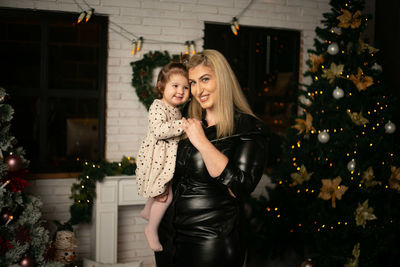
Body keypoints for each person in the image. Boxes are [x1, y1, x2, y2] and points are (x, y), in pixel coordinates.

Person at [155, 49, 269, 267]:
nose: (199, 90)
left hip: (211, 241)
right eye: (193, 83)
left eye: (205, 79)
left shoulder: (249, 128)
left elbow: (240, 188)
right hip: (171, 237)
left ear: (223, 80)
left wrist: (203, 143)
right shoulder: (189, 124)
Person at [135, 61, 190, 252]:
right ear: (161, 87)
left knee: (160, 186)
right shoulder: (157, 106)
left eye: (186, 87)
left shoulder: (176, 109)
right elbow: (158, 130)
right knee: (165, 195)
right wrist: (183, 126)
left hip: (165, 157)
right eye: (175, 86)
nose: (180, 91)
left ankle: (146, 210)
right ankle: (151, 228)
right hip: (157, 157)